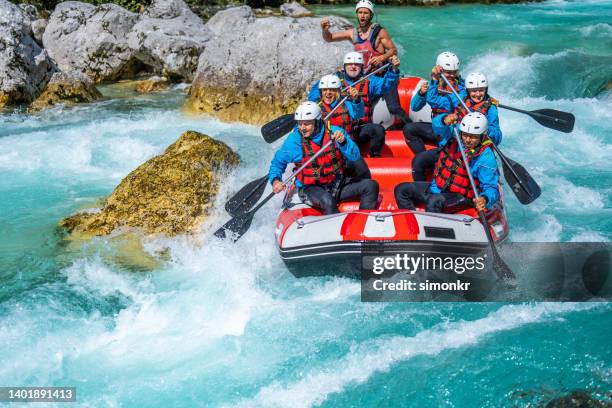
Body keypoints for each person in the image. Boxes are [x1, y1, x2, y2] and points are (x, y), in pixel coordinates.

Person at [269, 102, 379, 215]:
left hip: (337, 184)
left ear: (317, 122)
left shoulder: (335, 132)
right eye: (300, 124)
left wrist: (344, 142)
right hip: (311, 188)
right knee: (328, 201)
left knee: (371, 186)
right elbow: (277, 163)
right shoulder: (294, 141)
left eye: (306, 124)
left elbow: (355, 155)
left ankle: (363, 223)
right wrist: (275, 180)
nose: (302, 128)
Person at [319, 0, 409, 124]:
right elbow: (329, 38)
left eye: (366, 13)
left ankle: (409, 125)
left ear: (371, 15)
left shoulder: (379, 32)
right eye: (360, 12)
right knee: (360, 106)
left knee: (393, 108)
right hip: (364, 77)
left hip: (381, 76)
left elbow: (393, 50)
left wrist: (381, 58)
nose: (362, 15)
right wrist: (325, 30)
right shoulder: (352, 33)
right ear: (357, 14)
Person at [394, 112, 499, 213]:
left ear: (482, 136)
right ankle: (412, 221)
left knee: (434, 201)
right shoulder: (454, 137)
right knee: (401, 189)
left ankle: (433, 229)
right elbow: (436, 127)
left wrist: (485, 198)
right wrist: (444, 119)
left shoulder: (485, 157)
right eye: (465, 135)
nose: (467, 140)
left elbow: (491, 188)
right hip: (437, 188)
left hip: (461, 197)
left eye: (473, 137)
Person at [308, 51, 401, 157]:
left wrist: (394, 70)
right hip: (335, 130)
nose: (353, 67)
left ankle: (374, 156)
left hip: (359, 128)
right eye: (350, 64)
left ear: (361, 67)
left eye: (356, 64)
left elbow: (386, 85)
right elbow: (315, 95)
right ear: (344, 66)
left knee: (378, 130)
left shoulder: (370, 81)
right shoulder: (331, 82)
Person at [406, 51, 466, 181]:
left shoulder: (462, 89)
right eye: (447, 72)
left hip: (450, 131)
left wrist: (433, 84)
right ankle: (424, 156)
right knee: (409, 129)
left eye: (454, 72)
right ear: (439, 69)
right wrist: (421, 94)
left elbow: (437, 101)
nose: (451, 75)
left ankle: (429, 160)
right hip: (436, 127)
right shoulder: (432, 84)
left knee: (420, 160)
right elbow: (415, 107)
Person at [315, 74, 371, 179]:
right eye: (324, 90)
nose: (328, 93)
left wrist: (357, 100)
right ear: (320, 92)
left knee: (362, 168)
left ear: (338, 91)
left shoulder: (346, 103)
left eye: (332, 90)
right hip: (329, 150)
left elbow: (359, 114)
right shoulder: (316, 109)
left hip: (346, 144)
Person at [443, 72, 502, 145]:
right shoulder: (461, 98)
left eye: (481, 90)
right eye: (474, 91)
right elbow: (436, 101)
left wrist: (484, 128)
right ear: (468, 91)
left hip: (474, 146)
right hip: (455, 140)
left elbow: (497, 138)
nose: (478, 94)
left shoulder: (491, 109)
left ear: (485, 90)